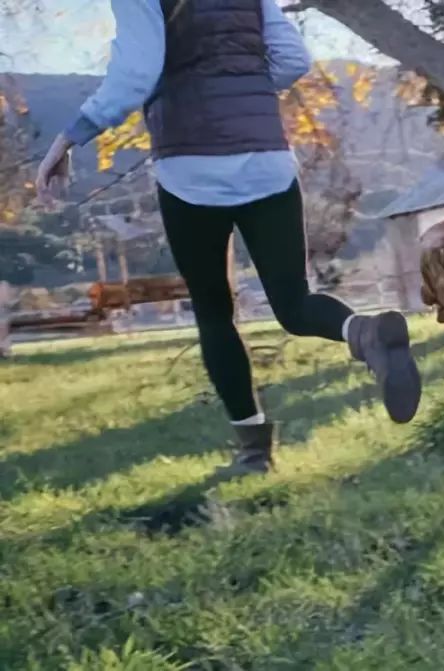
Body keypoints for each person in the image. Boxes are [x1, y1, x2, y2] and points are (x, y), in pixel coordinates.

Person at [35, 0, 423, 475]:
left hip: (190, 169)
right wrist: (245, 94)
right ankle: (362, 333)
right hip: (267, 161)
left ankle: (254, 452)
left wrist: (68, 139)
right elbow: (293, 59)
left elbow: (136, 73)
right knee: (294, 303)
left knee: (215, 313)